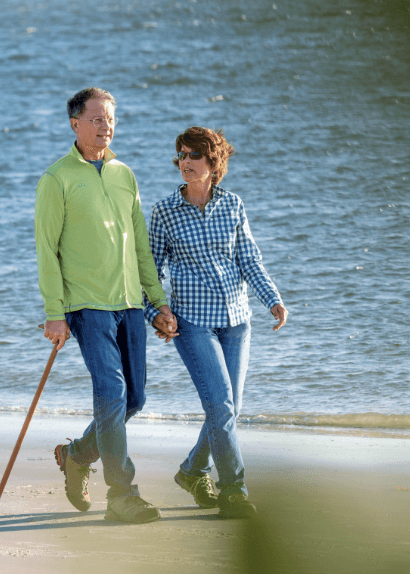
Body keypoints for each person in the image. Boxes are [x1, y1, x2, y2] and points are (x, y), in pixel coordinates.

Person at [34, 87, 176, 524]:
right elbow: (46, 250)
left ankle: (75, 455)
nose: (105, 126)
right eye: (96, 119)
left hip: (130, 303)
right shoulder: (57, 178)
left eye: (110, 118)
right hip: (86, 306)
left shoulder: (124, 174)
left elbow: (141, 250)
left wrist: (158, 302)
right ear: (75, 124)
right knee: (111, 393)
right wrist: (55, 313)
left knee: (134, 399)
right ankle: (122, 494)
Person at [144, 127, 288, 519]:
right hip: (192, 324)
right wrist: (155, 311)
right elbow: (149, 273)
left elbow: (249, 259)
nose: (185, 162)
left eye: (194, 155)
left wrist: (272, 299)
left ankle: (192, 471)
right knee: (222, 407)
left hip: (238, 321)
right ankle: (233, 491)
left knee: (228, 409)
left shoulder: (233, 205)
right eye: (181, 155)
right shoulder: (164, 212)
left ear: (213, 162)